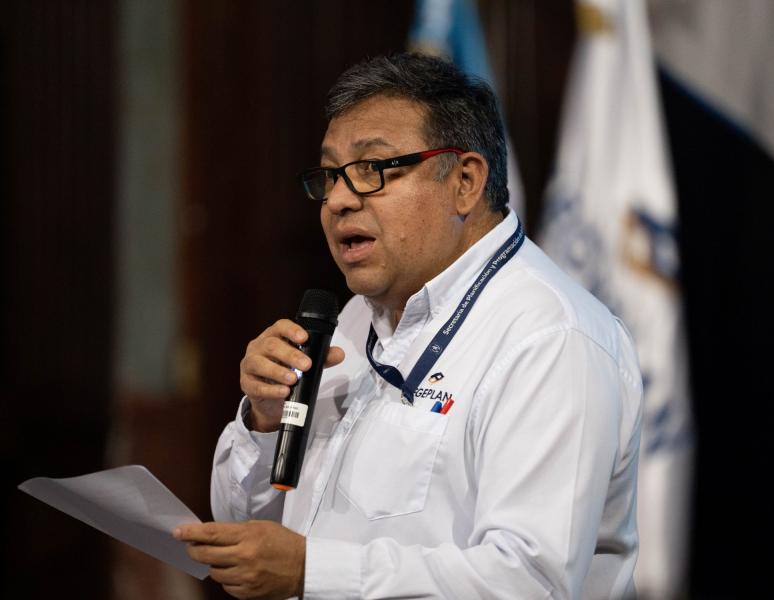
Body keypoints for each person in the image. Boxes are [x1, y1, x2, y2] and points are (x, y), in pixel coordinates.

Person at [174, 53, 643, 600]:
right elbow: (247, 528)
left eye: (372, 169)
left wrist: (312, 571)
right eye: (331, 175)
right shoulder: (349, 321)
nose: (339, 200)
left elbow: (530, 582)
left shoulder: (551, 339)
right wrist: (265, 420)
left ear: (465, 181)